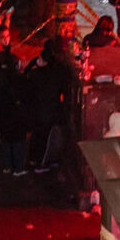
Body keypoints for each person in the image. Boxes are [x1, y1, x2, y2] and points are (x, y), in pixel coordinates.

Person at [25, 38, 73, 173]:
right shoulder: (58, 71)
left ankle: (35, 160)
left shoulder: (36, 73)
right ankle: (41, 162)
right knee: (45, 137)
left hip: (39, 110)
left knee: (38, 136)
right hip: (50, 110)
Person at [0, 25, 29, 176]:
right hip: (10, 107)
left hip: (3, 106)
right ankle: (17, 167)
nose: (7, 40)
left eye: (8, 37)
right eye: (3, 37)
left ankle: (7, 166)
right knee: (16, 138)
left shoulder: (3, 59)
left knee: (6, 137)